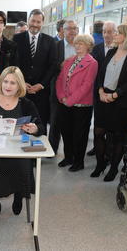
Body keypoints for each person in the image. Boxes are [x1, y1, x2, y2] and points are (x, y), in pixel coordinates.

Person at [0, 66, 44, 216]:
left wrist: (34, 128)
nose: (8, 86)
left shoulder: (26, 104)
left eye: (13, 83)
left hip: (16, 149)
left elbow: (41, 128)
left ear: (20, 85)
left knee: (22, 164)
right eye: (5, 81)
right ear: (0, 82)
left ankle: (18, 197)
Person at [91, 24, 127, 182]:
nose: (114, 35)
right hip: (103, 98)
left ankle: (113, 168)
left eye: (118, 33)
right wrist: (100, 90)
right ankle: (100, 164)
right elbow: (101, 73)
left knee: (117, 136)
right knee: (98, 133)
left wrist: (114, 95)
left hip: (121, 102)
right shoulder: (112, 51)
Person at [56, 35, 98, 171]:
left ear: (88, 46)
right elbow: (60, 79)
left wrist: (70, 100)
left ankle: (79, 162)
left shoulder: (92, 63)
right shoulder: (69, 61)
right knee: (66, 132)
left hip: (82, 105)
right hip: (65, 103)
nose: (77, 46)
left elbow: (86, 86)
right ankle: (68, 157)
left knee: (79, 135)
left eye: (81, 44)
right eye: (76, 43)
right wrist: (62, 97)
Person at [13, 9, 57, 134]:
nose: (35, 24)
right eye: (33, 21)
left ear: (42, 23)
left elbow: (53, 65)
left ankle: (40, 152)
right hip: (21, 90)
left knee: (40, 124)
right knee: (20, 124)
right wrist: (21, 82)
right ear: (28, 21)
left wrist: (41, 84)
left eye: (38, 21)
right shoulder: (17, 39)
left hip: (41, 93)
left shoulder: (50, 41)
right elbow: (13, 63)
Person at [87, 21, 117, 157]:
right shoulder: (97, 49)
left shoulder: (120, 49)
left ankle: (109, 152)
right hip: (97, 91)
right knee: (98, 121)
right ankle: (96, 147)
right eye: (104, 31)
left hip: (114, 94)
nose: (106, 35)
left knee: (111, 124)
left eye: (109, 32)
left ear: (116, 33)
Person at [49, 20, 78, 155]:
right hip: (58, 90)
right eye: (68, 29)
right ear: (62, 30)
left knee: (72, 123)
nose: (72, 31)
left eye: (74, 28)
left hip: (77, 91)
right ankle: (52, 150)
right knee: (55, 122)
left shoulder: (82, 47)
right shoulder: (55, 46)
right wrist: (61, 65)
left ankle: (70, 152)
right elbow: (49, 67)